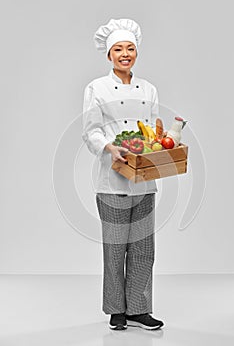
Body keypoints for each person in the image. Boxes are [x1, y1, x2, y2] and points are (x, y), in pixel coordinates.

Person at [82, 18, 164, 331]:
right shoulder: (96, 88)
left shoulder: (149, 89)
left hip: (144, 177)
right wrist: (110, 149)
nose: (124, 53)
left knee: (144, 248)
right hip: (112, 178)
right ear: (109, 55)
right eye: (118, 49)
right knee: (115, 248)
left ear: (136, 52)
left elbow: (153, 130)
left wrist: (164, 143)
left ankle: (139, 309)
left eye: (130, 48)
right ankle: (117, 309)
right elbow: (90, 131)